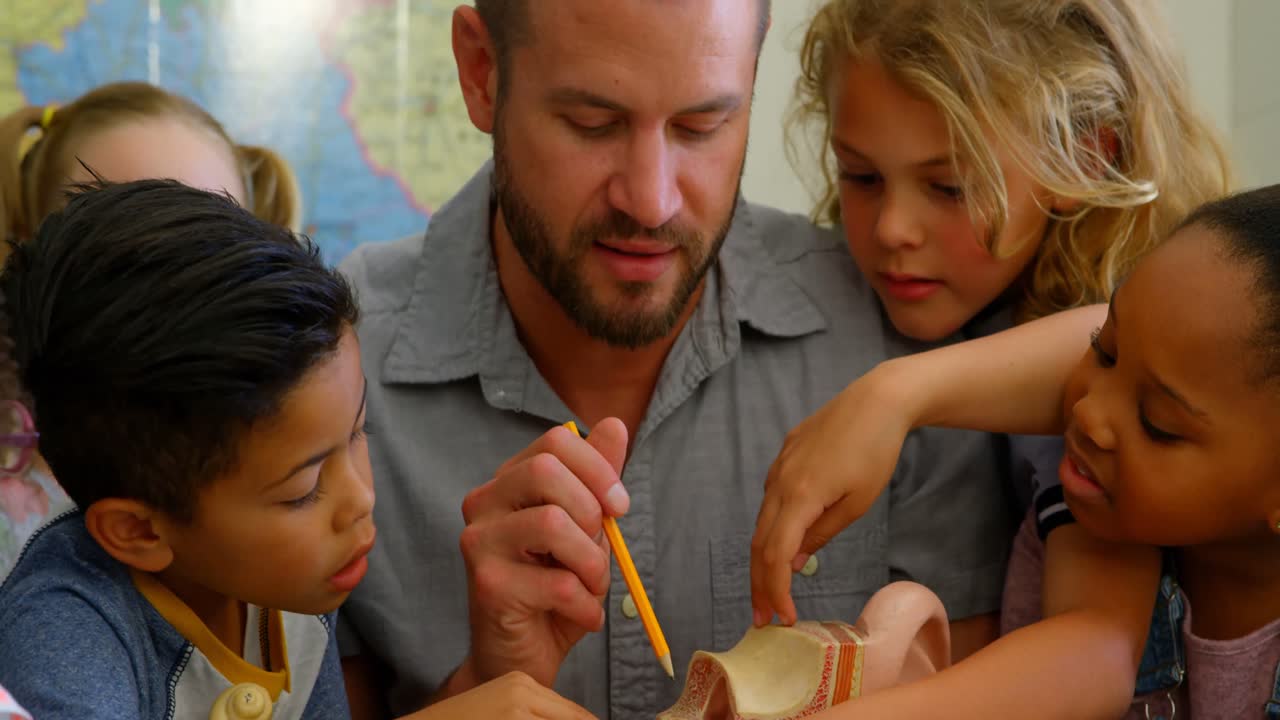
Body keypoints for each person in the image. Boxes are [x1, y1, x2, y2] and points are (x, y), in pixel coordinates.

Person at [334, 1, 1107, 718]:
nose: (652, 200)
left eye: (702, 126)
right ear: (480, 72)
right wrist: (486, 682)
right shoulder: (331, 374)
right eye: (592, 122)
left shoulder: (899, 326)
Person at [754, 0, 1227, 636]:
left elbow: (1091, 657)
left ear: (1084, 159)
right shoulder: (974, 303)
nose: (892, 229)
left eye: (950, 187)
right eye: (862, 177)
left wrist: (892, 395)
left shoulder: (1116, 347)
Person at [758, 185, 1280, 717]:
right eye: (1104, 350)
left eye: (1158, 424)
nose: (1087, 414)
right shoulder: (1102, 505)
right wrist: (888, 398)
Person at [0, 81, 304, 578]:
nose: (169, 282)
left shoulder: (280, 465)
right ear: (34, 250)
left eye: (210, 240)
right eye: (120, 240)